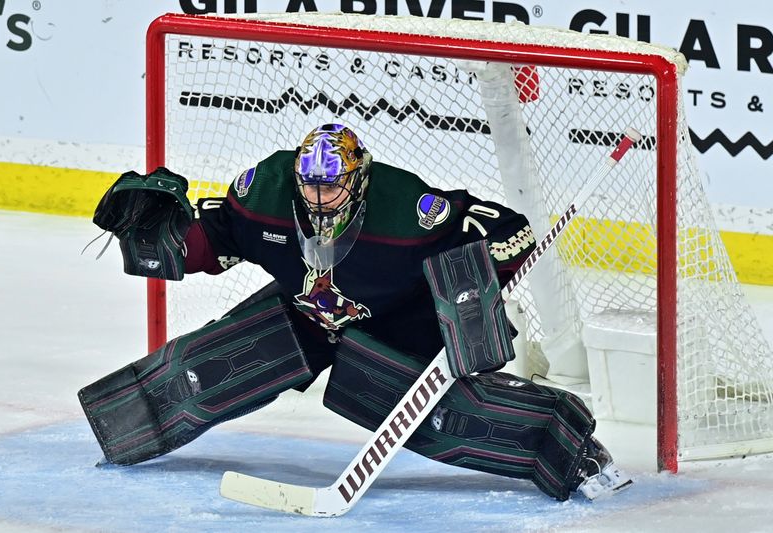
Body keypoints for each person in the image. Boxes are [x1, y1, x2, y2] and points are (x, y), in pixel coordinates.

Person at [78, 123, 631, 502]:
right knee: (225, 357)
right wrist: (172, 237)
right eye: (310, 186)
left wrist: (473, 291)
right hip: (311, 310)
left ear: (359, 179)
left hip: (403, 322)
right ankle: (129, 424)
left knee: (433, 412)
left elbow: (506, 230)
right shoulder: (265, 193)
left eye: (332, 186)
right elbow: (216, 239)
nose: (318, 199)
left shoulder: (407, 211)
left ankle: (572, 448)